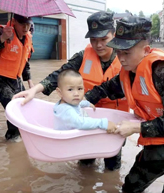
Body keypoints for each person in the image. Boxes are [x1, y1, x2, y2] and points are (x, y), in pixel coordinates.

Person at [84, 16, 164, 193]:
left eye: (126, 53)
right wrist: (84, 100)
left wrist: (136, 127)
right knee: (130, 188)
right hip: (158, 141)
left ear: (146, 50)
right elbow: (107, 88)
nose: (121, 58)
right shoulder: (128, 73)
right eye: (118, 52)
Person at [13, 11, 129, 170]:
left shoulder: (126, 58)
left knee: (112, 168)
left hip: (114, 121)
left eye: (104, 39)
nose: (99, 45)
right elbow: (60, 74)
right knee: (85, 165)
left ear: (114, 35)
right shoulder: (83, 56)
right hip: (86, 118)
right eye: (94, 40)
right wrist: (35, 90)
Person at [0, 14, 34, 140]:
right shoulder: (2, 31)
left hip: (15, 79)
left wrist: (30, 82)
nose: (26, 28)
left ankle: (23, 135)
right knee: (13, 107)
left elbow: (25, 61)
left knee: (26, 105)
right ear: (14, 21)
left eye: (28, 24)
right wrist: (2, 38)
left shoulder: (28, 37)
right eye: (22, 24)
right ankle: (12, 139)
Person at [53, 69, 117, 133]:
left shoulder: (68, 102)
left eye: (79, 89)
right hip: (68, 141)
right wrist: (103, 123)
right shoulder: (66, 110)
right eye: (70, 89)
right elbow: (80, 123)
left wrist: (87, 103)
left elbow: (78, 104)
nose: (76, 93)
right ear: (59, 92)